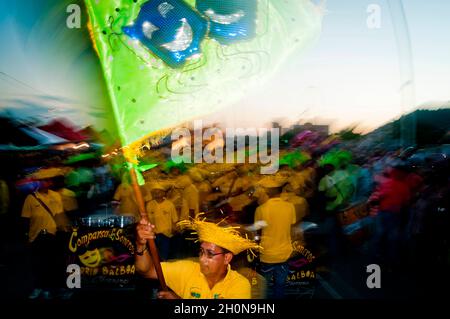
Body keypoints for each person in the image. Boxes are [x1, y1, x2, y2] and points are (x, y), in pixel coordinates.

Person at [135, 215, 261, 299]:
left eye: (210, 254)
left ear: (227, 258)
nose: (202, 258)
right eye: (201, 252)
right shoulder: (187, 270)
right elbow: (146, 270)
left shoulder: (239, 284)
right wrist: (141, 245)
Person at [21, 168, 65, 300]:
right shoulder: (30, 198)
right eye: (44, 180)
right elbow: (25, 219)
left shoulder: (56, 196)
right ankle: (38, 287)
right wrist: (26, 236)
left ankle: (51, 288)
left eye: (49, 180)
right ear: (39, 182)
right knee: (38, 263)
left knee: (53, 263)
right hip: (36, 236)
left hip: (53, 234)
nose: (48, 183)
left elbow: (59, 215)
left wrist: (63, 231)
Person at [254, 176, 296, 299]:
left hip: (267, 254)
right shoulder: (290, 207)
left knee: (264, 286)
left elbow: (257, 233)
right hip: (284, 253)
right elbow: (292, 228)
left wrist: (256, 246)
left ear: (267, 192)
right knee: (280, 286)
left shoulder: (261, 209)